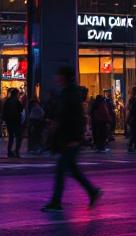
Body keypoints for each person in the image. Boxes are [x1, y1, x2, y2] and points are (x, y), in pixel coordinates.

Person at [41, 65, 100, 212]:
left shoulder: (70, 94)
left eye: (58, 75)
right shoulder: (68, 92)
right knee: (72, 170)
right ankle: (92, 192)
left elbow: (74, 117)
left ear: (64, 77)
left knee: (61, 169)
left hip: (71, 138)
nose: (56, 78)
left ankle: (56, 202)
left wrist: (74, 137)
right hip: (70, 137)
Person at [2, 88, 24, 157]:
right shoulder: (17, 101)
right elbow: (21, 109)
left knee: (11, 137)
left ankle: (9, 152)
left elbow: (4, 110)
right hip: (16, 121)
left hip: (9, 121)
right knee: (18, 137)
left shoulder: (7, 101)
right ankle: (16, 151)